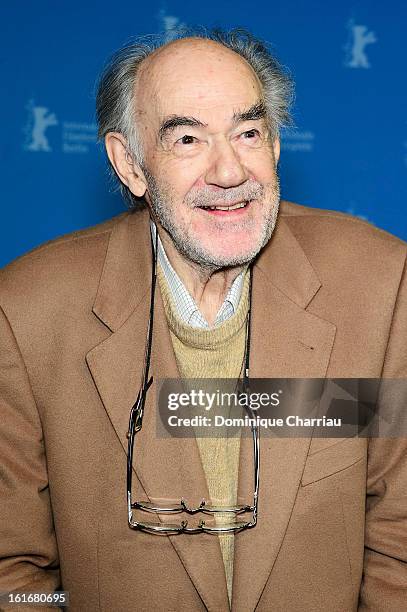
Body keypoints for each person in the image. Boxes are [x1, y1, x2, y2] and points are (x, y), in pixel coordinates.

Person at [0, 28, 406, 612]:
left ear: (275, 145)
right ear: (131, 165)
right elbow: (14, 579)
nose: (229, 172)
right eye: (188, 139)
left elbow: (400, 540)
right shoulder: (25, 313)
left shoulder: (380, 284)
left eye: (248, 133)